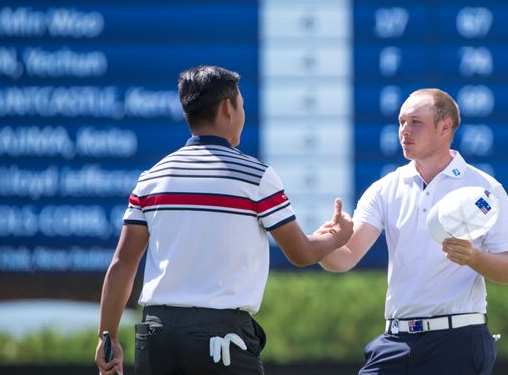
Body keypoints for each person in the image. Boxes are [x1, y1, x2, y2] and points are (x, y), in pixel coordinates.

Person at [95, 65, 353, 375]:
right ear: (227, 108)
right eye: (241, 105)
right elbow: (301, 253)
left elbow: (123, 263)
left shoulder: (153, 177)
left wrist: (107, 335)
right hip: (220, 338)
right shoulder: (255, 176)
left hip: (156, 335)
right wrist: (338, 235)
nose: (243, 114)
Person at [318, 88, 508, 375]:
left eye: (415, 122)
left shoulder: (486, 190)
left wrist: (473, 257)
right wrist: (328, 243)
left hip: (457, 341)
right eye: (401, 122)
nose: (404, 131)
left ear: (445, 127)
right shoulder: (385, 188)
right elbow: (345, 258)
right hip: (395, 340)